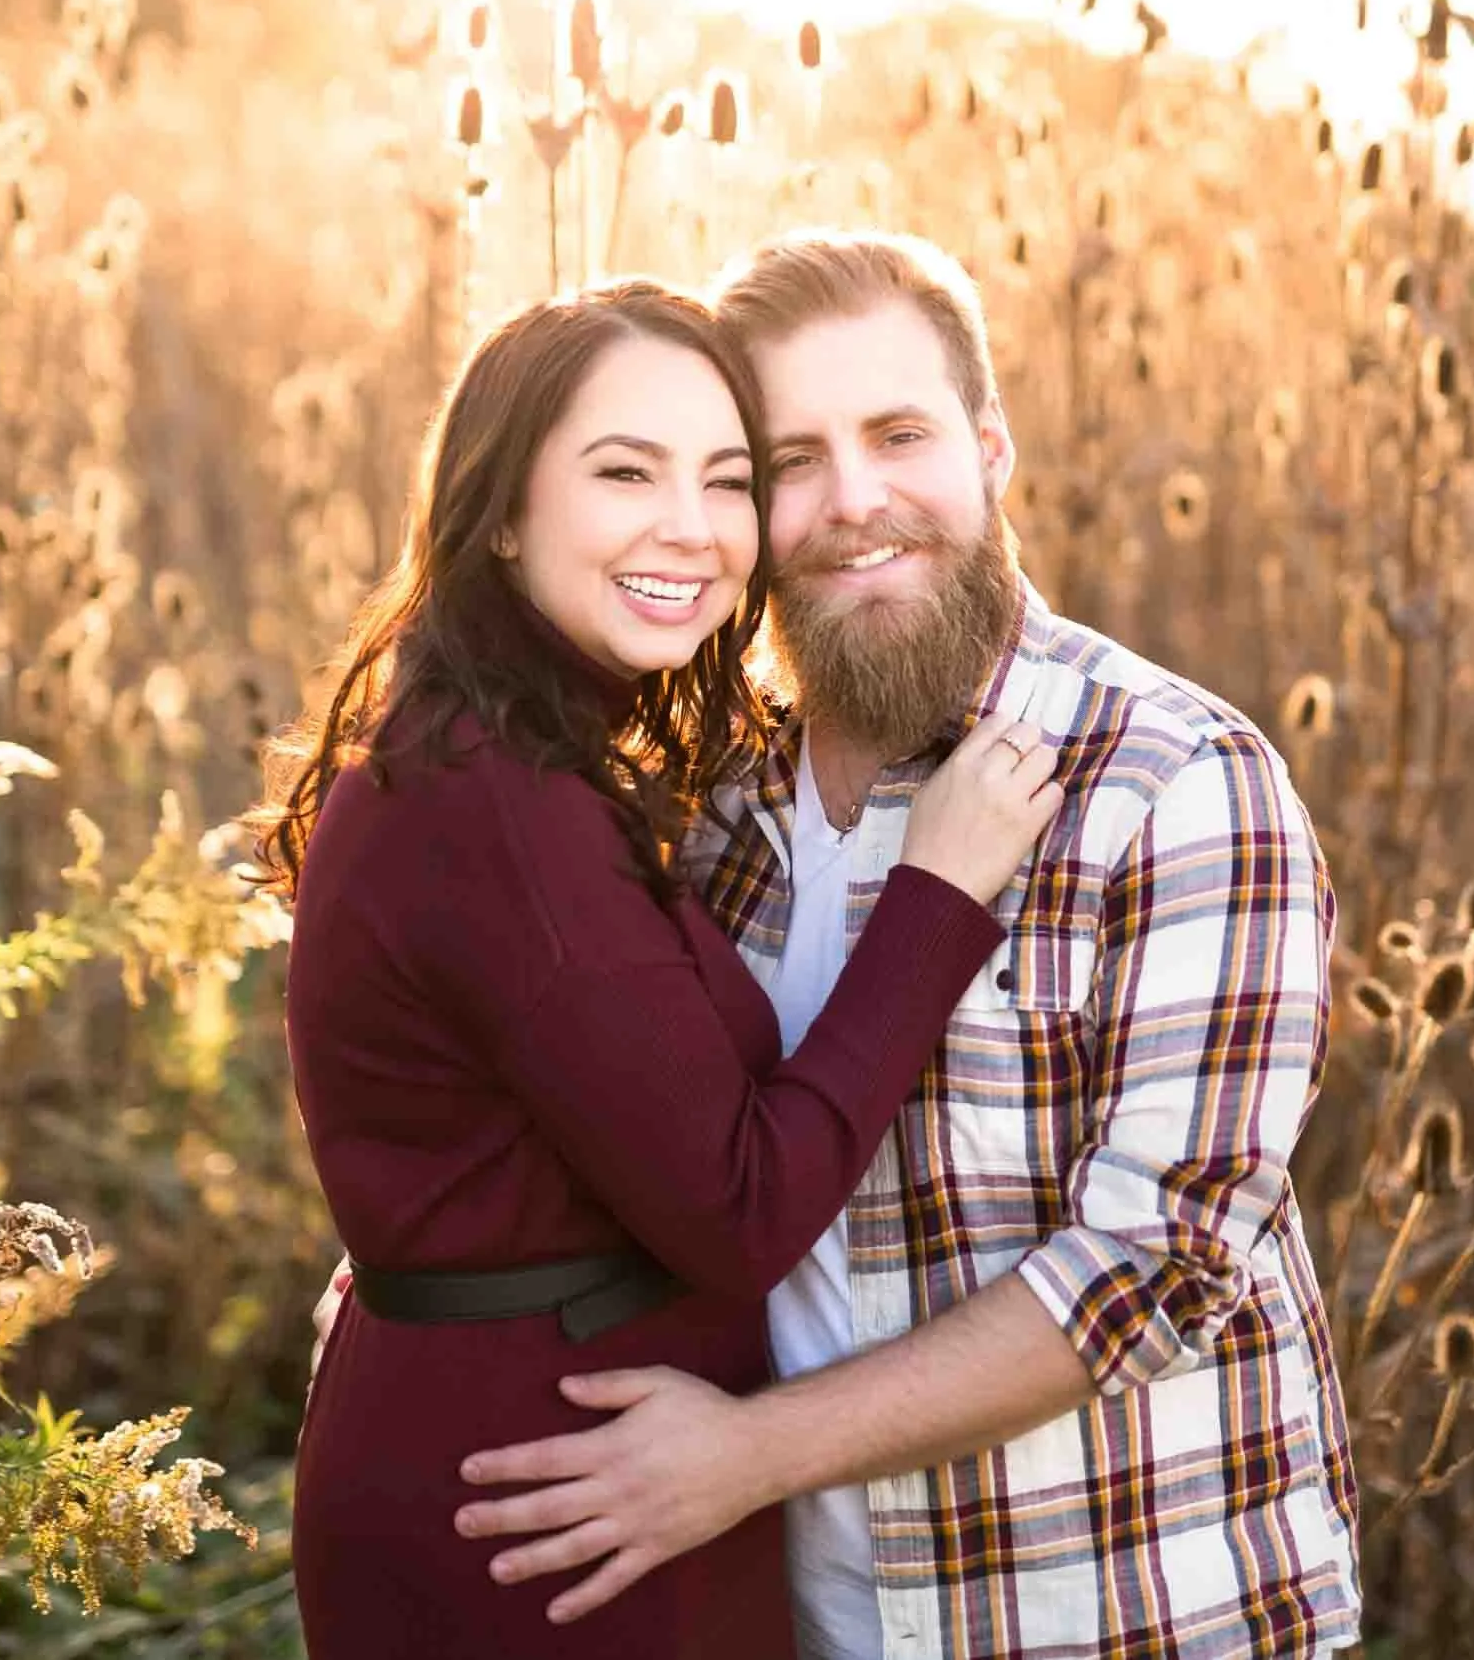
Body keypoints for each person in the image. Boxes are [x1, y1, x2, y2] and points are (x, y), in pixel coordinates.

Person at [446, 232, 1364, 1658]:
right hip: (791, 1613)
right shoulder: (706, 800)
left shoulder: (1173, 785)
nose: (856, 500)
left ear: (991, 450)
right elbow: (606, 1128)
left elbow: (1155, 1265)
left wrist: (746, 1454)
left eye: (899, 435)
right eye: (793, 458)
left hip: (1121, 1615)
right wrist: (406, 1309)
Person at [256, 278, 1063, 1659]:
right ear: (502, 510)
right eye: (625, 472)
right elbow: (741, 1208)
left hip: (569, 1466)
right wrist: (933, 899)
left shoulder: (517, 757)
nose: (690, 527)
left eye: (730, 478)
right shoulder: (497, 804)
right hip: (557, 1518)